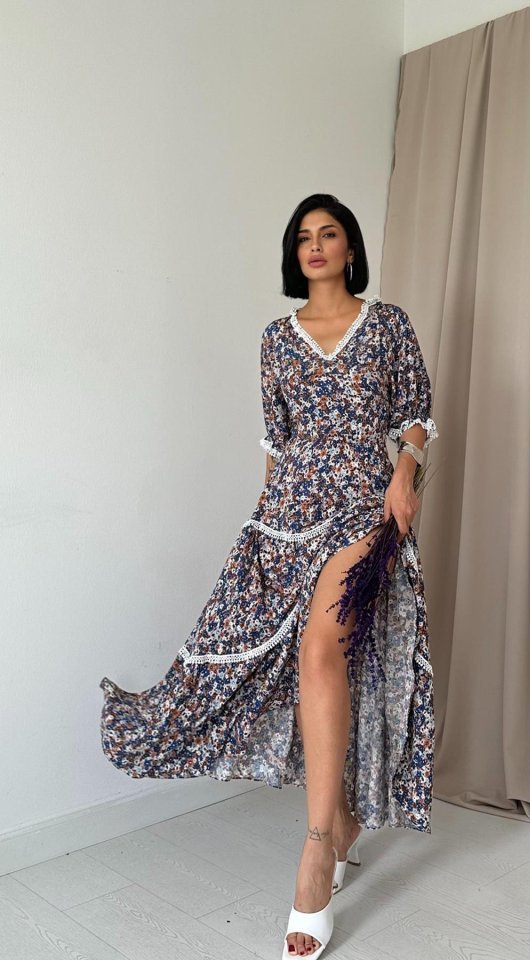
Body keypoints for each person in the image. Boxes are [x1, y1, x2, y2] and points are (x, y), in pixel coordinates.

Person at [100, 192, 438, 959]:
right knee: (278, 660)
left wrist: (406, 470)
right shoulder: (276, 341)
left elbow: (415, 415)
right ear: (296, 254)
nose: (315, 245)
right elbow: (277, 447)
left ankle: (316, 853)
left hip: (363, 509)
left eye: (329, 233)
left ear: (350, 248)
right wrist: (262, 536)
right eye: (303, 236)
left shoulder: (388, 325)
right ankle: (342, 818)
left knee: (321, 651)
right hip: (287, 518)